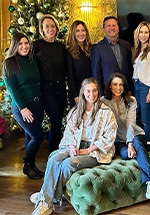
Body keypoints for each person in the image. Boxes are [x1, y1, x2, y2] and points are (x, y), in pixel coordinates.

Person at [31, 77, 117, 215]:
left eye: (94, 90)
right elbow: (69, 132)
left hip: (95, 150)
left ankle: (46, 199)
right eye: (88, 91)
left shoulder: (106, 112)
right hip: (75, 145)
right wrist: (71, 147)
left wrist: (87, 150)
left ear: (98, 91)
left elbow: (109, 137)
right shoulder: (76, 111)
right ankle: (48, 199)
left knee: (68, 164)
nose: (92, 94)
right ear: (83, 92)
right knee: (54, 159)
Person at [101, 73, 150, 200]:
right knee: (127, 154)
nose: (118, 87)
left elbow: (130, 124)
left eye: (121, 84)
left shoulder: (131, 100)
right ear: (110, 86)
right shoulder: (103, 101)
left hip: (134, 134)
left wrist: (130, 143)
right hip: (117, 139)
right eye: (115, 84)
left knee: (136, 145)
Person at [2, 33, 44, 180]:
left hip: (37, 103)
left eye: (26, 43)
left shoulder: (32, 60)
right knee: (38, 136)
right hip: (23, 107)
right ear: (15, 46)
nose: (24, 46)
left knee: (29, 136)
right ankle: (27, 165)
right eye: (20, 44)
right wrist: (23, 108)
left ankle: (32, 166)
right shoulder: (9, 63)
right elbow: (12, 89)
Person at [32, 14, 72, 154]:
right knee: (56, 121)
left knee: (57, 121)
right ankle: (53, 155)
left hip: (61, 88)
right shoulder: (36, 45)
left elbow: (67, 69)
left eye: (53, 26)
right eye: (47, 26)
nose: (50, 29)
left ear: (57, 28)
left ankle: (56, 153)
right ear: (42, 29)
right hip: (45, 89)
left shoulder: (61, 46)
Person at [132, 21, 150, 141]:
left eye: (146, 32)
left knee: (146, 118)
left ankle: (147, 143)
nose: (143, 35)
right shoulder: (137, 49)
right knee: (136, 116)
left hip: (146, 88)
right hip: (136, 85)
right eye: (141, 32)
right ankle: (139, 142)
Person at [91, 16, 133, 94]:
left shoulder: (126, 45)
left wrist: (130, 89)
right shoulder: (97, 48)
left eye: (114, 25)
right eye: (108, 26)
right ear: (104, 29)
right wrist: (100, 94)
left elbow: (130, 69)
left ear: (118, 28)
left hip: (125, 91)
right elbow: (96, 74)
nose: (111, 28)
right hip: (107, 92)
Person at [66, 20, 92, 107]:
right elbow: (70, 76)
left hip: (92, 91)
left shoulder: (92, 48)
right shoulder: (69, 51)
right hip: (78, 92)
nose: (81, 33)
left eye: (83, 30)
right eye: (77, 30)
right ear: (73, 33)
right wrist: (75, 95)